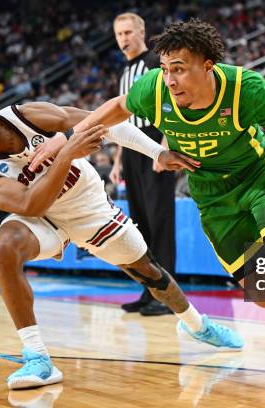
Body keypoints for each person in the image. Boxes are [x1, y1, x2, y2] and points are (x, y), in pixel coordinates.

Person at [32, 19, 265, 366]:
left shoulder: (246, 89)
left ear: (208, 66)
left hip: (258, 178)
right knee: (264, 293)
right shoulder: (156, 89)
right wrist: (68, 137)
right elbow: (119, 107)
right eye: (164, 69)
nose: (170, 79)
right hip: (211, 196)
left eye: (178, 69)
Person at [0, 79, 243, 390]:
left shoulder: (28, 116)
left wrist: (157, 153)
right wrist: (66, 153)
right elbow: (30, 204)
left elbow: (106, 122)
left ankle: (197, 324)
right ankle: (37, 357)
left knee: (149, 272)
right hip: (42, 218)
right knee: (3, 248)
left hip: (90, 208)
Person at [110, 12, 177, 316]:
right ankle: (148, 290)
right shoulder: (123, 71)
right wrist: (117, 158)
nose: (123, 38)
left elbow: (171, 101)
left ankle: (167, 295)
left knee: (160, 220)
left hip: (154, 143)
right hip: (131, 146)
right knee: (139, 224)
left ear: (141, 32)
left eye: (128, 32)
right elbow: (122, 117)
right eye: (119, 34)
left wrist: (165, 144)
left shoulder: (153, 63)